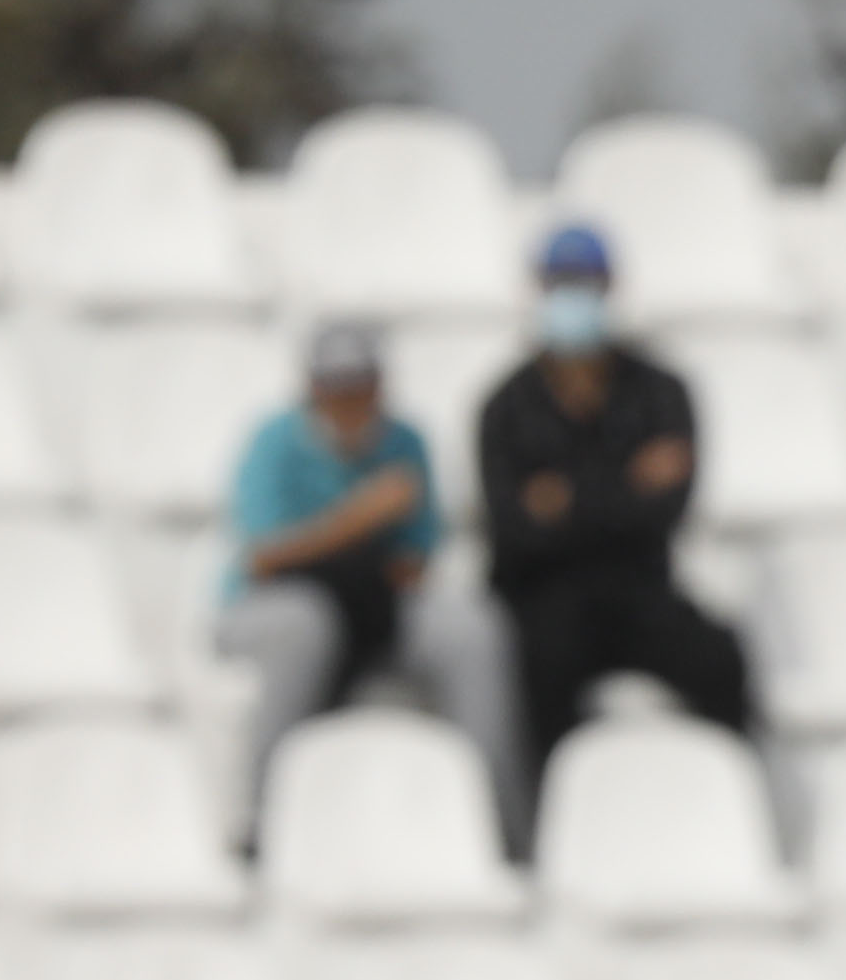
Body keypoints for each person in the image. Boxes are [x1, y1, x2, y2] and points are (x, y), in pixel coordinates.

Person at [215, 325, 527, 854]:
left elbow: (416, 560)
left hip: (375, 603)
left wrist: (345, 551)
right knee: (304, 627)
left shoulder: (406, 442)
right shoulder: (273, 443)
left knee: (473, 629)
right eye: (338, 390)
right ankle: (265, 821)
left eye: (362, 389)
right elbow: (264, 557)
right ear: (312, 390)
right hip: (270, 604)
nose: (351, 404)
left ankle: (499, 825)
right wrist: (360, 521)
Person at [471, 224, 757, 767]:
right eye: (562, 282)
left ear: (611, 287)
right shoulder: (506, 404)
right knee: (539, 665)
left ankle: (733, 805)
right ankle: (544, 824)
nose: (575, 296)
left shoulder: (661, 392)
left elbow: (669, 512)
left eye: (587, 282)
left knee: (720, 657)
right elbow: (513, 529)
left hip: (639, 588)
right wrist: (625, 484)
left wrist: (564, 498)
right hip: (543, 596)